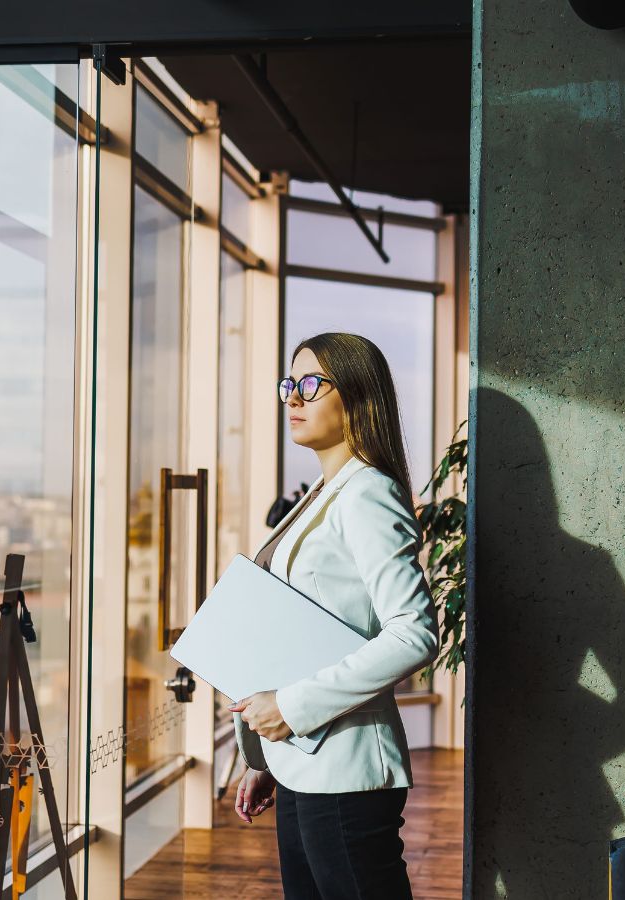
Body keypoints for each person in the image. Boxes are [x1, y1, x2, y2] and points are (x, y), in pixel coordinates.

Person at [228, 331, 440, 900]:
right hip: (304, 765)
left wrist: (291, 709)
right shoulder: (323, 493)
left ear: (357, 395)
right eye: (289, 385)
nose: (292, 398)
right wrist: (266, 757)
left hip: (346, 772)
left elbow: (415, 632)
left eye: (310, 384)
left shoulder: (367, 493)